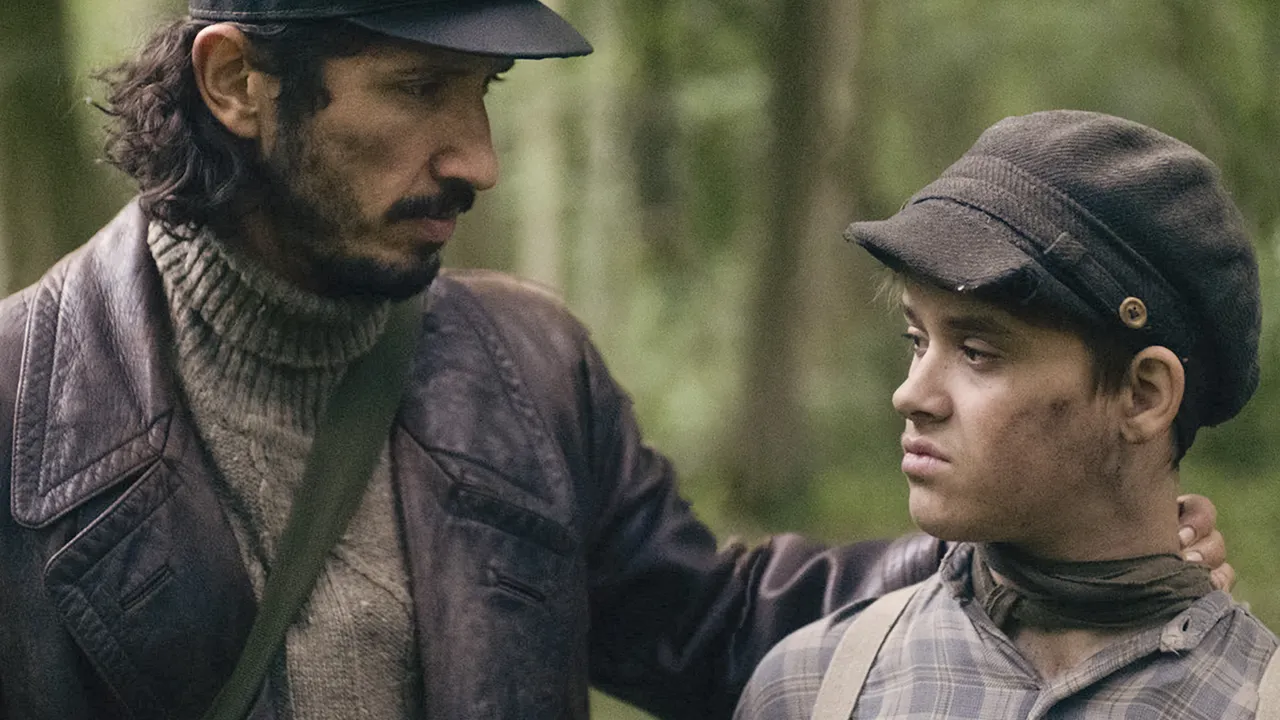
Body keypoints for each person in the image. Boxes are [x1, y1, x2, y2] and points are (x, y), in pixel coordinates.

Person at [0, 1, 1226, 716]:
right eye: (418, 89)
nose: (476, 159)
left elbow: (711, 630)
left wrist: (1043, 558)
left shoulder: (522, 370)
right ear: (236, 81)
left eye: (483, 92)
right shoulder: (21, 404)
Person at [733, 110, 1276, 720]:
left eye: (977, 352)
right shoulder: (813, 687)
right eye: (917, 340)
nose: (911, 395)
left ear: (1143, 396)